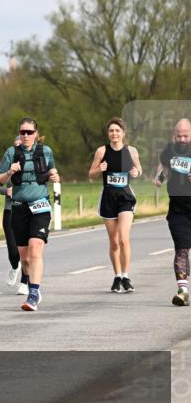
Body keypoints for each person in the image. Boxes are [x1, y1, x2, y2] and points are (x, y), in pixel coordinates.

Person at [0, 118, 61, 311]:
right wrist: (9, 172)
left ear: (36, 134)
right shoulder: (11, 153)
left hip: (40, 205)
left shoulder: (46, 151)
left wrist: (54, 176)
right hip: (19, 206)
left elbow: (51, 171)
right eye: (22, 132)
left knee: (35, 249)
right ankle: (32, 285)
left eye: (29, 132)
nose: (25, 135)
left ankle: (33, 293)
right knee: (24, 258)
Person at [88, 118, 143, 293]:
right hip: (108, 197)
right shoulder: (102, 151)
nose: (114, 134)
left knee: (123, 239)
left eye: (117, 131)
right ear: (108, 133)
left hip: (125, 197)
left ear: (123, 133)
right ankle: (117, 276)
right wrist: (99, 169)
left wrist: (136, 172)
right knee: (114, 243)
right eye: (111, 131)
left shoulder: (131, 151)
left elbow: (138, 170)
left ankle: (126, 276)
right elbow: (91, 174)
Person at [154, 118, 191, 307]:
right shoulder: (169, 149)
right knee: (182, 248)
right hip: (178, 210)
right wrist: (159, 178)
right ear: (174, 135)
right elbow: (165, 167)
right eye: (179, 135)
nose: (182, 139)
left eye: (185, 135)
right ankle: (183, 291)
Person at [0, 134, 25, 293]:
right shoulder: (9, 158)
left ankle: (25, 282)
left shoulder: (33, 161)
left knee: (26, 249)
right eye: (16, 144)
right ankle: (15, 266)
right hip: (10, 210)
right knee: (13, 251)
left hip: (27, 210)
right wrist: (7, 190)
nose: (18, 147)